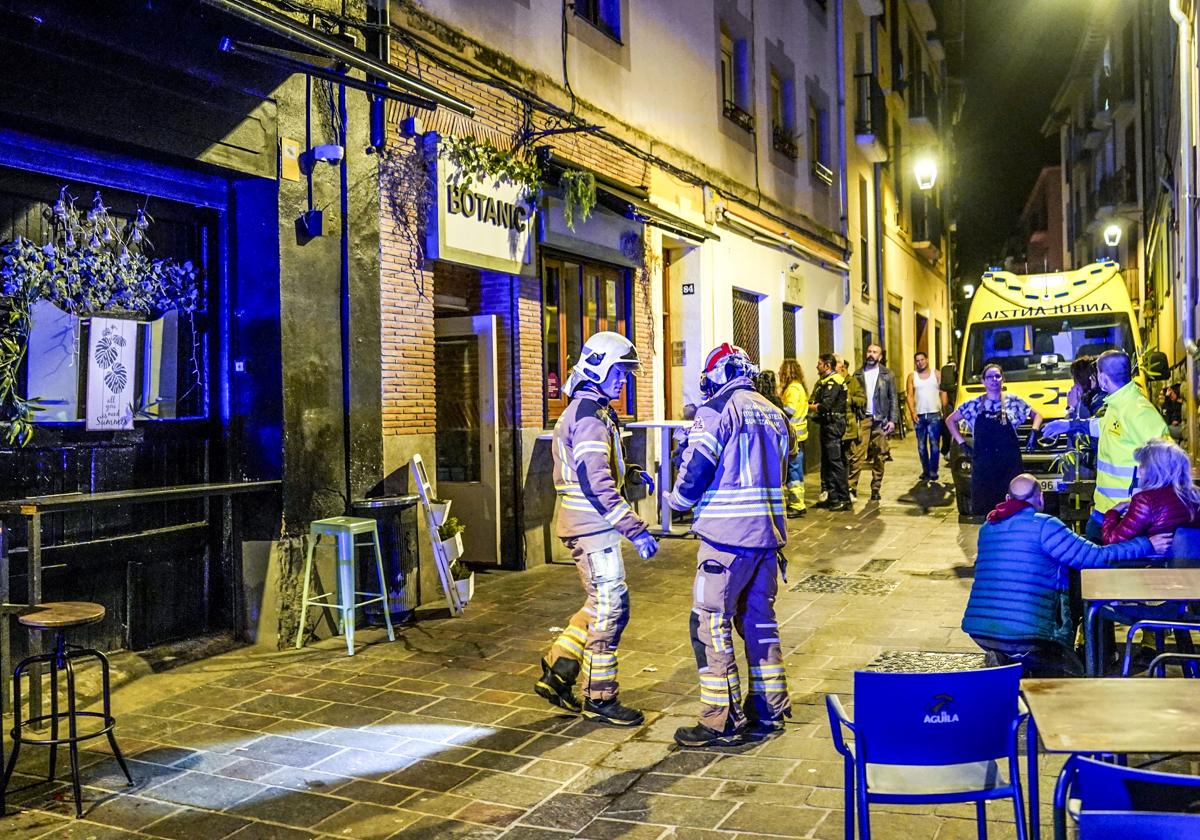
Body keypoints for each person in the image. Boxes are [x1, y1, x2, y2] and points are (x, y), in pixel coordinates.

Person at [667, 343, 792, 747]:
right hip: (767, 540)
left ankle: (719, 719)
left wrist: (676, 502)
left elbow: (697, 467)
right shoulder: (774, 413)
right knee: (759, 623)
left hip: (726, 541)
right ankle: (769, 710)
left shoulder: (716, 410)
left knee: (710, 624)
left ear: (715, 376)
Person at [537, 331, 658, 726]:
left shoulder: (590, 410)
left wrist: (632, 472)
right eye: (619, 372)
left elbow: (598, 468)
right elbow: (595, 482)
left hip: (587, 525)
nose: (624, 380)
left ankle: (559, 669)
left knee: (597, 605)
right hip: (593, 528)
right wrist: (635, 529)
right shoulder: (589, 417)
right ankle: (600, 698)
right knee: (611, 610)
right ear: (599, 368)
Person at [962, 474, 1171, 676]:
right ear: (1040, 497)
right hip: (1028, 635)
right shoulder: (1045, 526)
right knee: (1071, 672)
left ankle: (1008, 661)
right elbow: (1094, 557)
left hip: (980, 631)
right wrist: (1146, 544)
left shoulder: (989, 527)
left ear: (1008, 499)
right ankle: (1029, 666)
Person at [1042, 350, 1168, 542]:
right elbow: (1101, 426)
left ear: (1101, 377)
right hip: (1108, 510)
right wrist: (1068, 425)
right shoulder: (1120, 403)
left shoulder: (1138, 412)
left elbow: (1168, 463)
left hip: (1128, 515)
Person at [946, 364, 1043, 516]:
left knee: (1012, 509)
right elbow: (950, 420)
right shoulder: (973, 404)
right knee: (985, 509)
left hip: (1008, 466)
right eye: (990, 377)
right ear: (983, 381)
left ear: (1003, 379)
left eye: (997, 376)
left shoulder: (1013, 402)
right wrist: (961, 442)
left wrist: (1034, 432)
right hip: (984, 468)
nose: (994, 380)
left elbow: (1037, 415)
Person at [1102, 438, 1200, 544]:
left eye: (1143, 465)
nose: (1139, 469)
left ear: (1154, 470)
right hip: (1189, 559)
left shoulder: (1145, 500)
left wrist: (1113, 512)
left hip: (1154, 559)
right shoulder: (1195, 494)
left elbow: (1112, 541)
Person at [849, 344, 900, 502]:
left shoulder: (887, 374)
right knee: (857, 453)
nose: (871, 354)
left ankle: (876, 487)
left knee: (880, 454)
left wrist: (892, 420)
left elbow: (893, 398)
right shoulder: (858, 374)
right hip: (863, 418)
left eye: (874, 352)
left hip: (881, 419)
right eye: (869, 351)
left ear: (880, 356)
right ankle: (852, 487)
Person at [810, 353, 851, 512]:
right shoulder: (824, 382)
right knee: (828, 462)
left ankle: (843, 498)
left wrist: (810, 407)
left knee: (835, 462)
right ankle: (833, 497)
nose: (817, 366)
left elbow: (825, 405)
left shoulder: (834, 382)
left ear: (827, 366)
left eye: (819, 363)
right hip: (827, 424)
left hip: (833, 424)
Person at [779, 360, 809, 518]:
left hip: (793, 437)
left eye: (781, 371)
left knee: (794, 471)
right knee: (794, 470)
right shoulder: (799, 387)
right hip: (798, 435)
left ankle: (797, 505)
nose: (779, 374)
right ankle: (796, 502)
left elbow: (789, 410)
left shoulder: (792, 389)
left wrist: (775, 406)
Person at [907, 351, 942, 482]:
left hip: (935, 414)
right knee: (921, 446)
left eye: (922, 359)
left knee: (934, 444)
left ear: (927, 360)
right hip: (919, 415)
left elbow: (942, 392)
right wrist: (912, 412)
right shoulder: (912, 376)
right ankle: (925, 470)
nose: (920, 362)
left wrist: (945, 410)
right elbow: (909, 395)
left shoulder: (936, 374)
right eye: (917, 360)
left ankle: (933, 470)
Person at [839, 356, 868, 496]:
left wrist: (849, 400)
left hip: (850, 425)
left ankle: (851, 486)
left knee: (853, 456)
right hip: (835, 426)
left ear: (843, 368)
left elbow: (862, 399)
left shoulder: (853, 382)